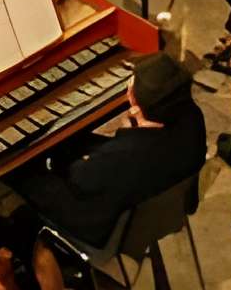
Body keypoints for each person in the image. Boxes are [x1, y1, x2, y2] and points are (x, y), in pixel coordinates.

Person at [13, 52, 207, 247]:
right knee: (71, 144)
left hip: (101, 228)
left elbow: (80, 175)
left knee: (20, 172)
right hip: (163, 205)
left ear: (135, 106)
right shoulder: (193, 117)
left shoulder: (118, 159)